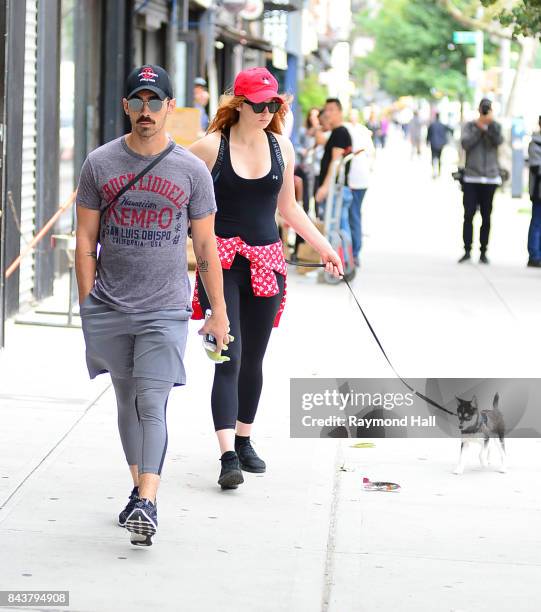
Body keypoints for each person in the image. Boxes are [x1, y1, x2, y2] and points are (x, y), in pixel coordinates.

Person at [75, 65, 229, 546]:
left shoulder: (191, 169)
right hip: (110, 304)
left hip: (165, 308)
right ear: (126, 106)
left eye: (155, 101)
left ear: (169, 107)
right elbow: (84, 240)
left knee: (151, 400)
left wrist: (218, 311)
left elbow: (206, 248)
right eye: (137, 101)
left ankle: (148, 499)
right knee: (126, 400)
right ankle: (138, 487)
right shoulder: (100, 164)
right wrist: (87, 305)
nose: (146, 110)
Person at [189, 67, 343, 489]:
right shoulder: (209, 148)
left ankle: (243, 439)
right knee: (229, 355)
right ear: (238, 103)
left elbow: (289, 209)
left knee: (254, 360)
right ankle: (225, 457)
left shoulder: (282, 147)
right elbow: (177, 187)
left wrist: (325, 246)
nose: (266, 111)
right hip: (220, 264)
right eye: (258, 104)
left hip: (266, 263)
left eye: (273, 104)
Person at [458, 98, 503, 264]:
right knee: (468, 214)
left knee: (486, 216)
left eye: (488, 109)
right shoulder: (470, 126)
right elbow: (465, 144)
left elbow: (498, 142)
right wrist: (479, 128)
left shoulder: (495, 126)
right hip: (471, 176)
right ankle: (467, 250)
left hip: (490, 178)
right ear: (478, 109)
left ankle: (484, 251)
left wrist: (488, 127)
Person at [315, 98, 353, 230]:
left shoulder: (340, 132)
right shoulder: (336, 132)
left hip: (335, 190)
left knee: (337, 230)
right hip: (337, 189)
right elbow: (320, 140)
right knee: (339, 228)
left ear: (340, 112)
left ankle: (343, 252)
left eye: (331, 110)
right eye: (326, 110)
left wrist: (325, 187)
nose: (327, 113)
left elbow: (335, 162)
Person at [346, 108, 375, 267]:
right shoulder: (362, 132)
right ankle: (354, 252)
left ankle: (354, 252)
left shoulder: (357, 132)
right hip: (359, 180)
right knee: (354, 215)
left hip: (356, 180)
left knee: (353, 215)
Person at [527, 116, 541, 267]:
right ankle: (534, 256)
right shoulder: (535, 143)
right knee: (537, 223)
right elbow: (536, 167)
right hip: (538, 192)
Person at [426, 112, 452, 178]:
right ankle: (439, 171)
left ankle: (434, 171)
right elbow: (450, 130)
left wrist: (427, 141)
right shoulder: (442, 125)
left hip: (433, 143)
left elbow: (428, 134)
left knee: (433, 157)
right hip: (440, 144)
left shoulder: (432, 124)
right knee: (439, 157)